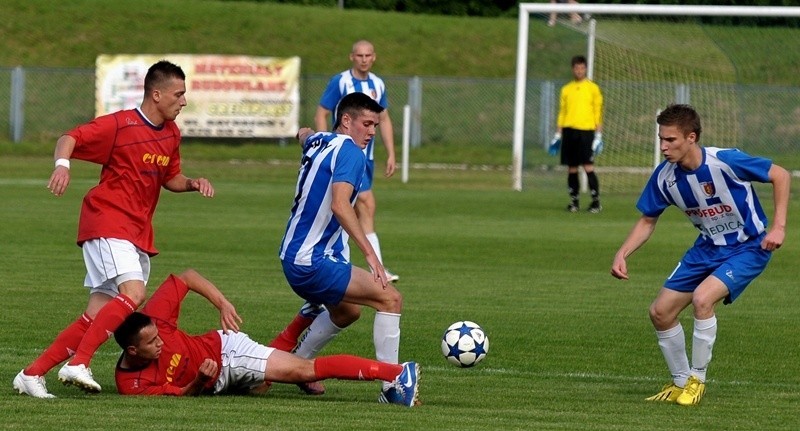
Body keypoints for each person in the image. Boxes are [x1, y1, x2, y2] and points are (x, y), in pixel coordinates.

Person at [12, 60, 215, 399]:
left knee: (96, 315)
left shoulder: (171, 134)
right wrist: (62, 165)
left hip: (135, 232)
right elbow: (69, 137)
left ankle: (31, 374)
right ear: (156, 93)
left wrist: (192, 182)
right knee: (134, 294)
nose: (183, 101)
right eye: (179, 94)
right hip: (107, 220)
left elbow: (170, 178)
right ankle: (80, 362)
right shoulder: (121, 125)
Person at [610, 104, 789, 406]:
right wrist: (623, 252)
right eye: (661, 140)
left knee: (703, 299)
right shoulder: (665, 177)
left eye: (671, 140)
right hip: (706, 248)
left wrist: (779, 226)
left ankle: (697, 381)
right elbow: (647, 220)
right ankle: (680, 382)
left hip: (749, 246)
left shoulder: (725, 161)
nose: (664, 147)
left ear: (691, 138)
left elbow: (781, 175)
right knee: (660, 312)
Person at [112, 269, 420, 407]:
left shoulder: (153, 321)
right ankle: (304, 316)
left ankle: (396, 373)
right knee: (262, 387)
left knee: (302, 369)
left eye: (158, 336)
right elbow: (179, 397)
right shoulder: (132, 386)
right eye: (152, 344)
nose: (160, 342)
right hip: (214, 381)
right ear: (132, 351)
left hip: (227, 352)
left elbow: (187, 276)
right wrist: (198, 382)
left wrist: (222, 303)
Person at [281, 92, 408, 404]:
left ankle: (298, 365)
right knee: (390, 298)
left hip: (292, 255)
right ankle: (393, 385)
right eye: (366, 123)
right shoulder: (351, 153)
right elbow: (340, 205)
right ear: (346, 121)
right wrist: (370, 255)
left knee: (348, 311)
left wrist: (303, 132)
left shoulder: (321, 139)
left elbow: (305, 135)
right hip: (312, 261)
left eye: (376, 125)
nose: (372, 131)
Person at [314, 39, 398, 282]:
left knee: (361, 206)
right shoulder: (340, 81)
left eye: (368, 55)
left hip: (367, 158)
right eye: (359, 55)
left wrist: (391, 152)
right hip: (344, 154)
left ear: (374, 57)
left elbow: (384, 118)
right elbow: (322, 112)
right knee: (360, 204)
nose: (364, 59)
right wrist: (326, 142)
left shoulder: (378, 84)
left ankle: (371, 266)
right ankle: (375, 267)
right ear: (352, 57)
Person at [550, 55, 604, 213]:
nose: (579, 71)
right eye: (576, 68)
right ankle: (574, 201)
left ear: (585, 69)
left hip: (586, 131)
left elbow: (598, 111)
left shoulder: (593, 88)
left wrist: (599, 134)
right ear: (573, 69)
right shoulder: (566, 89)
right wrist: (558, 134)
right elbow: (562, 112)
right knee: (572, 168)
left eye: (582, 68)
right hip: (569, 131)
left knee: (588, 166)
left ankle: (596, 201)